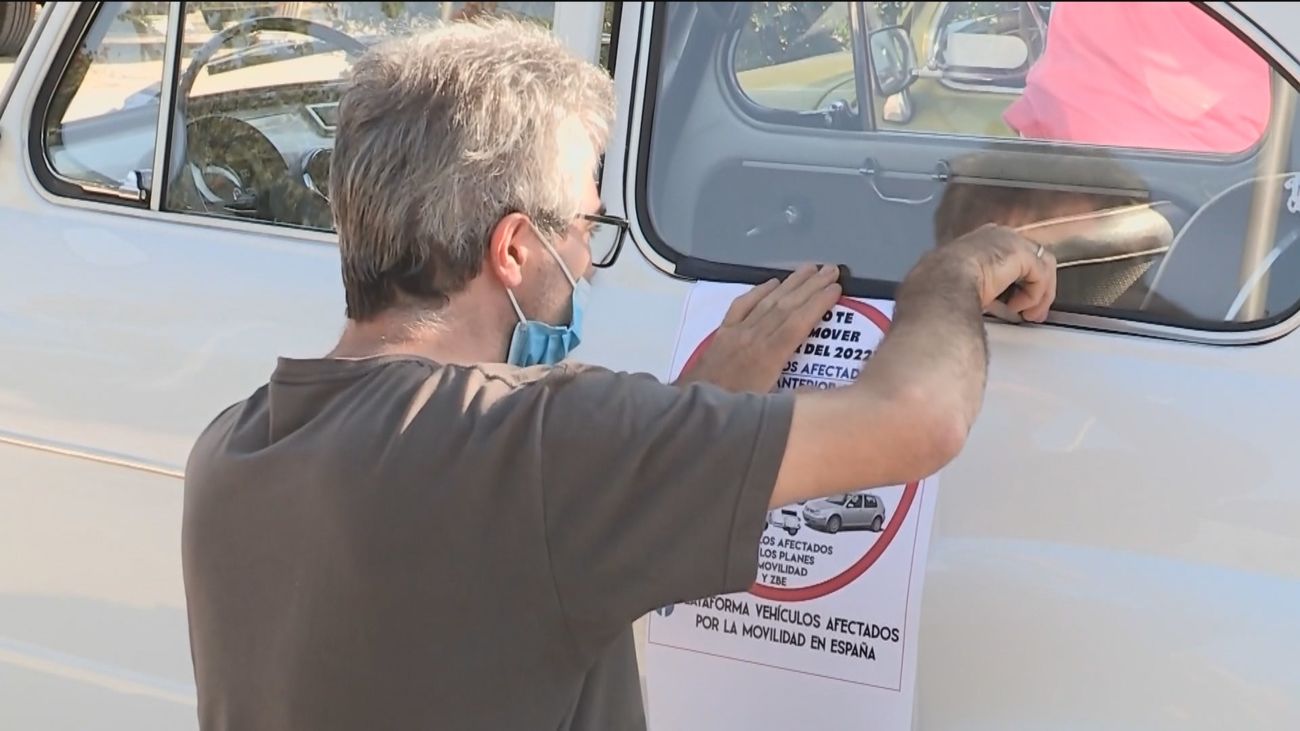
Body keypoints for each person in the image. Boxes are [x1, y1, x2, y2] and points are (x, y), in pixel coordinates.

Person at [180, 16, 1057, 731]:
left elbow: (495, 563)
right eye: (587, 227)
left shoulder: (231, 448)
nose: (591, 265)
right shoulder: (540, 440)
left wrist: (698, 405)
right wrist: (949, 271)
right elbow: (918, 417)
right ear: (516, 248)